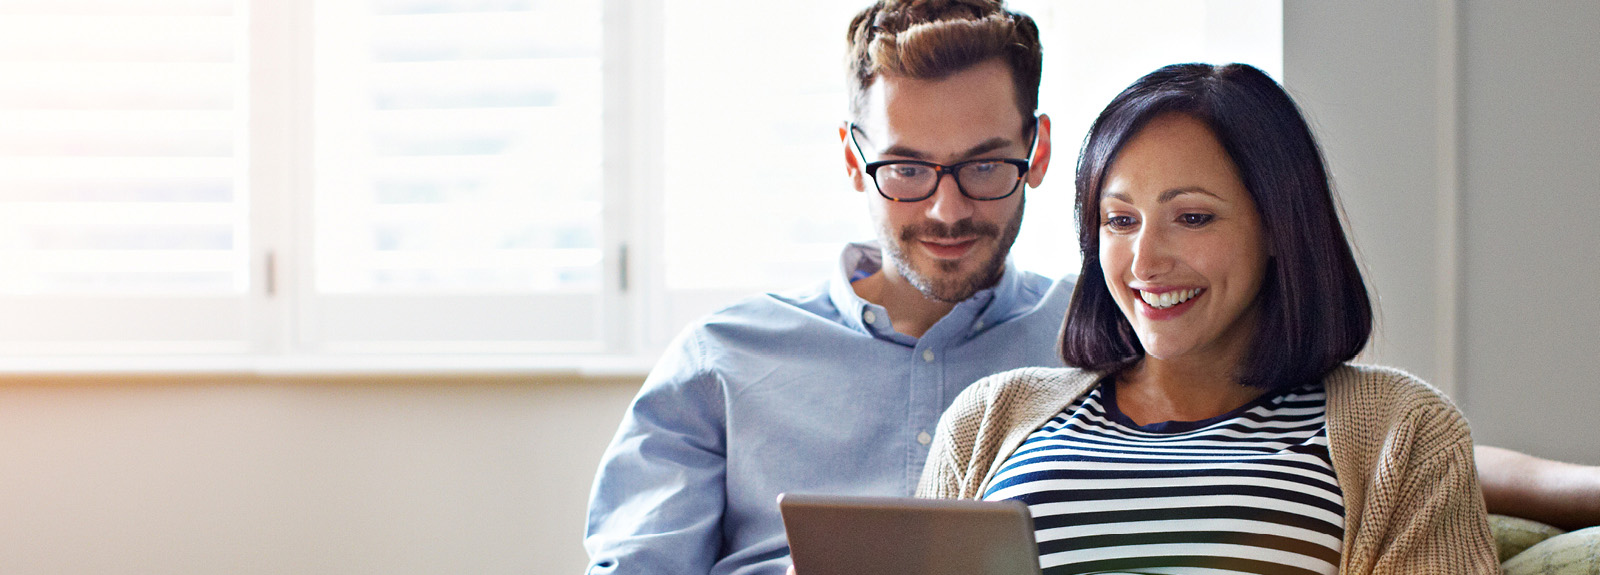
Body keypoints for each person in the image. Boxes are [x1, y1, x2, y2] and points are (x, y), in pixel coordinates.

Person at [918, 63, 1499, 573]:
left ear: (1277, 226)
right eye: (1120, 221)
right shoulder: (988, 420)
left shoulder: (1405, 431)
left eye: (1192, 217)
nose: (1144, 261)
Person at [583, 2, 1066, 574]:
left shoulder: (1107, 339)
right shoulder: (722, 360)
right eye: (906, 170)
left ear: (1036, 151)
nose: (947, 210)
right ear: (850, 156)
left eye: (984, 166)